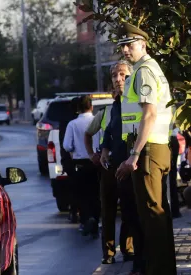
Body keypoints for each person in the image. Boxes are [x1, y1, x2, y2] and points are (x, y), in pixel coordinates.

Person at [114, 22, 176, 275]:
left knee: (152, 215)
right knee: (157, 214)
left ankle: (160, 270)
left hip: (149, 149)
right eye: (123, 47)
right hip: (155, 147)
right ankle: (162, 267)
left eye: (129, 45)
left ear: (143, 43)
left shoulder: (144, 71)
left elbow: (149, 115)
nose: (126, 50)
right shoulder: (149, 69)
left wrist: (134, 154)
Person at [93, 61, 139, 267]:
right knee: (108, 210)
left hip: (129, 165)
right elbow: (110, 132)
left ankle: (128, 249)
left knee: (130, 209)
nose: (118, 79)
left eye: (123, 74)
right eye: (114, 75)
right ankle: (109, 252)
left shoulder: (137, 101)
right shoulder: (116, 104)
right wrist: (104, 150)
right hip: (112, 165)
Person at [63, 95, 101, 238]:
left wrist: (75, 150)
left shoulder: (72, 124)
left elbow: (67, 145)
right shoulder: (97, 121)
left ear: (78, 109)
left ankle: (86, 220)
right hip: (96, 162)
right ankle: (96, 221)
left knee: (83, 195)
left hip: (80, 164)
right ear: (91, 107)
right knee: (96, 194)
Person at [59, 97, 80, 224]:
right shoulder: (77, 121)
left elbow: (65, 144)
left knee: (73, 187)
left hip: (68, 160)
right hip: (83, 159)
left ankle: (74, 212)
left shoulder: (65, 122)